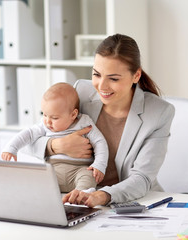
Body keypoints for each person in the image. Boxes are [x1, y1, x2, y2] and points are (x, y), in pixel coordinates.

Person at [29, 33, 175, 207]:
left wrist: (103, 195)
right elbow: (31, 141)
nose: (102, 86)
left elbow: (142, 178)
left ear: (136, 76)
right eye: (97, 75)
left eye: (113, 78)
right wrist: (55, 146)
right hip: (75, 197)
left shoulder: (159, 112)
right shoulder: (80, 92)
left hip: (128, 201)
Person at [1, 82, 108, 193]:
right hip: (53, 170)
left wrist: (99, 165)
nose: (47, 121)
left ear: (73, 114)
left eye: (54, 118)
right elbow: (27, 134)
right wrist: (11, 148)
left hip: (80, 169)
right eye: (44, 114)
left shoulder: (84, 122)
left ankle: (80, 195)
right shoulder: (44, 125)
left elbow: (99, 142)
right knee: (34, 178)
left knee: (89, 177)